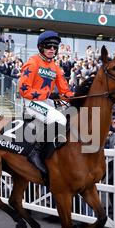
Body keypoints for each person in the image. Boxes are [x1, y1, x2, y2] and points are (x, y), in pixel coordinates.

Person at [18, 30, 74, 175]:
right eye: (49, 46)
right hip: (31, 102)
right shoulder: (32, 63)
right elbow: (23, 91)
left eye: (55, 48)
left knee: (70, 119)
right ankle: (35, 153)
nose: (52, 50)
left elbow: (65, 91)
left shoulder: (55, 67)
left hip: (47, 102)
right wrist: (48, 94)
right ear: (41, 47)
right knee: (59, 119)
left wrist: (78, 97)